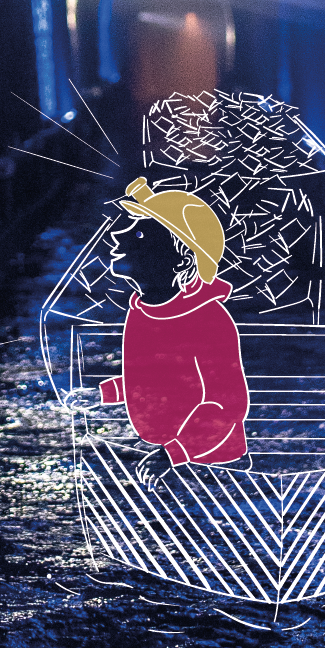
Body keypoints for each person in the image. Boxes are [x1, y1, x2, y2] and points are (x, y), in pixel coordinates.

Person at [97, 176, 249, 489]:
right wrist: (104, 394)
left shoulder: (208, 321)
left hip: (209, 469)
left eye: (139, 233)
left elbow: (228, 405)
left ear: (182, 260)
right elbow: (160, 379)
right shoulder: (143, 310)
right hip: (165, 457)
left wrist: (172, 455)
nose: (116, 235)